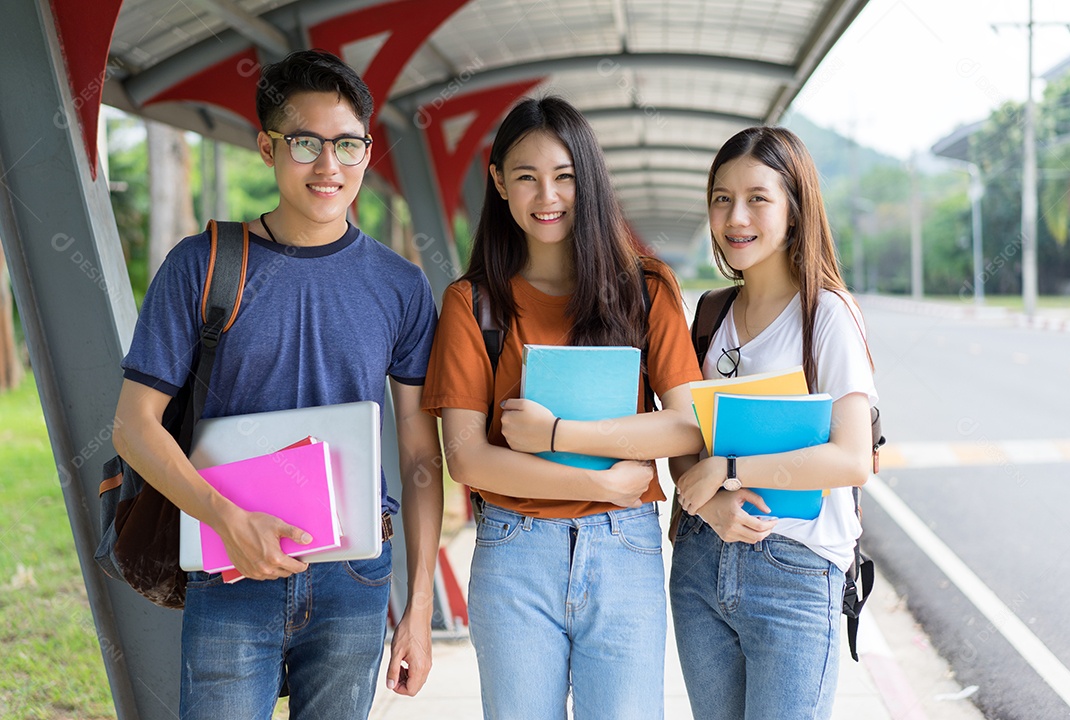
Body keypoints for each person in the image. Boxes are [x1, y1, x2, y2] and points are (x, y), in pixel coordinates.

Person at [112, 49, 443, 719]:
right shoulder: (200, 265)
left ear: (367, 151)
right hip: (229, 563)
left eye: (347, 145)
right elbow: (132, 426)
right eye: (305, 143)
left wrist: (420, 606)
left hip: (355, 574)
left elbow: (418, 452)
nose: (329, 167)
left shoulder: (401, 286)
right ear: (267, 148)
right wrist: (228, 522)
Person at [421, 96, 703, 719]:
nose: (546, 195)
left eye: (564, 176)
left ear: (589, 179)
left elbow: (685, 424)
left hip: (623, 551)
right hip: (514, 552)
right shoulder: (474, 305)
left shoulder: (645, 289)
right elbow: (467, 459)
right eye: (525, 176)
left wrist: (559, 431)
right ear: (497, 182)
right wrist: (599, 480)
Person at [668, 126, 878, 720]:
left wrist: (728, 469)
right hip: (700, 567)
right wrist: (708, 502)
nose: (736, 216)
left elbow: (851, 458)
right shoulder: (709, 316)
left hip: (795, 569)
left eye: (758, 197)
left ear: (795, 207)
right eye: (721, 198)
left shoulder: (827, 316)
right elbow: (683, 436)